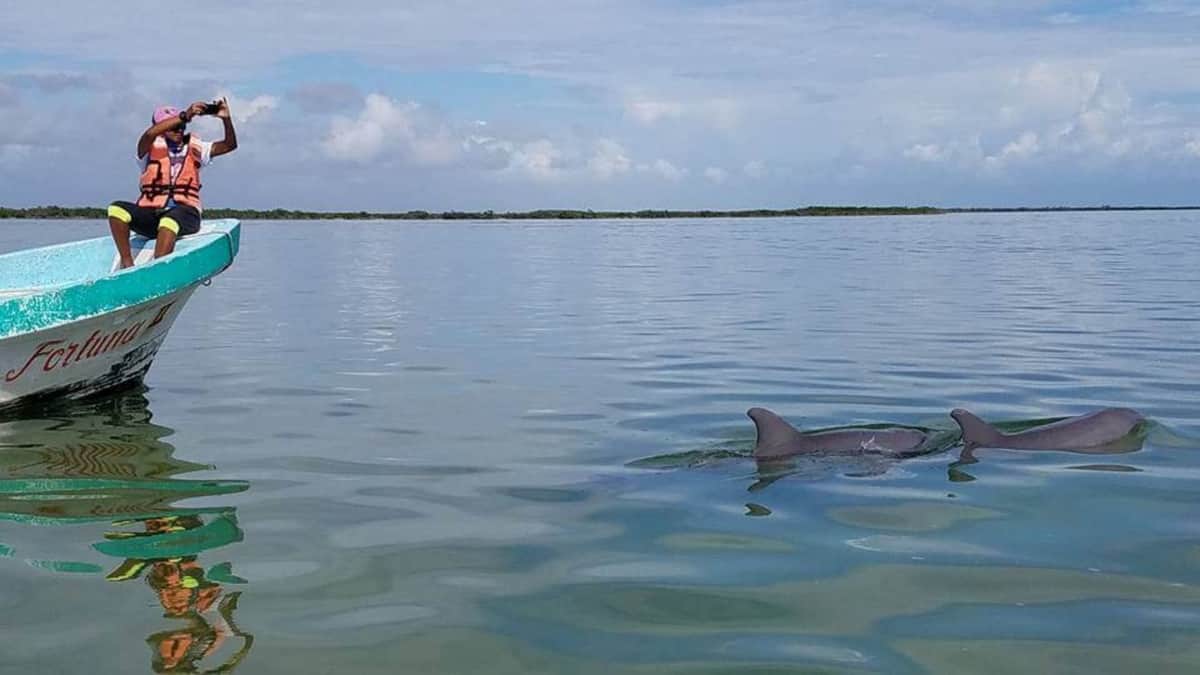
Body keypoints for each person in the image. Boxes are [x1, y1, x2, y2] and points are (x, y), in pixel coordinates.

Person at [107, 99, 238, 268]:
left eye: (182, 126)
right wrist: (185, 116)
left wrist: (226, 119)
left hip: (186, 214)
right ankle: (127, 264)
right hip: (152, 214)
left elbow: (230, 145)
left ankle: (158, 269)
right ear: (161, 129)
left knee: (169, 221)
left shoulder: (197, 148)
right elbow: (149, 134)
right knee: (116, 209)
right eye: (173, 126)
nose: (179, 129)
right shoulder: (146, 150)